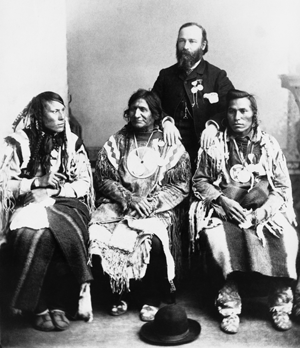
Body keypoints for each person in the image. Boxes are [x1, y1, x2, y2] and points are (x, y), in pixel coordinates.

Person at [189, 89, 299, 333]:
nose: (237, 116)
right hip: (227, 211)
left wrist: (264, 212)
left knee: (286, 238)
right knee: (220, 240)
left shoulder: (268, 145)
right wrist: (222, 201)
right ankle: (229, 306)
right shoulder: (215, 145)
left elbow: (280, 187)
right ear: (225, 115)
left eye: (243, 111)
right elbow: (200, 181)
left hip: (263, 213)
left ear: (253, 114)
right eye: (232, 111)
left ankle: (280, 303)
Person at [88, 89, 191, 322]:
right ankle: (117, 293)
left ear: (155, 114)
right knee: (97, 236)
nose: (137, 114)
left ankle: (150, 298)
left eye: (143, 109)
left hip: (155, 208)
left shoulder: (169, 144)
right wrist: (129, 198)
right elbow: (104, 178)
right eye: (133, 108)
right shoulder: (117, 141)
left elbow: (181, 184)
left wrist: (152, 203)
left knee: (151, 242)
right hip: (118, 206)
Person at [0, 92, 94, 331]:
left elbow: (84, 183)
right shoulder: (19, 143)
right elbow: (5, 186)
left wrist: (56, 191)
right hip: (28, 203)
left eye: (63, 110)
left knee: (61, 232)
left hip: (66, 203)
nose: (62, 116)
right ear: (39, 115)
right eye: (54, 111)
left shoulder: (72, 142)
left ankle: (60, 304)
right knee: (35, 235)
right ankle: (39, 305)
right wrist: (36, 183)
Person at [152, 22, 234, 172]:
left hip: (207, 150)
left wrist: (214, 125)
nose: (185, 46)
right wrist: (166, 122)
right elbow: (151, 105)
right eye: (181, 41)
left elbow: (232, 107)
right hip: (170, 150)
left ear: (203, 45)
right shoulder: (165, 75)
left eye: (192, 41)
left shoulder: (217, 76)